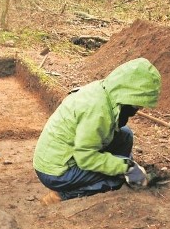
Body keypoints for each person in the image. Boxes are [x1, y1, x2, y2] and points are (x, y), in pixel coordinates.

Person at [33, 57, 161, 205]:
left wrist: (124, 166)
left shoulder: (106, 92)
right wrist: (125, 167)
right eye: (138, 105)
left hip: (62, 154)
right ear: (129, 94)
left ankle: (121, 171)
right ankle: (60, 196)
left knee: (125, 135)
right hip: (56, 171)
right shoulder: (98, 112)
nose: (139, 109)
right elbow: (86, 158)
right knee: (113, 181)